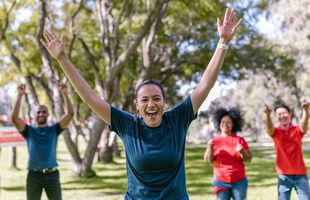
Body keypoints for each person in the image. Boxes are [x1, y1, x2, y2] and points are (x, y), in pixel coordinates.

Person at [41, 8, 242, 200]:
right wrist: (62, 59)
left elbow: (205, 85)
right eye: (144, 100)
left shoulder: (177, 120)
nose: (151, 104)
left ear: (164, 102)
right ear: (137, 106)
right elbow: (90, 98)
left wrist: (222, 42)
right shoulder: (127, 125)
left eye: (156, 98)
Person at [11, 83, 74, 200]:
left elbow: (70, 114)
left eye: (44, 112)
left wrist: (65, 94)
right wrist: (20, 96)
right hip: (34, 176)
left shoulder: (54, 130)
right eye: (39, 112)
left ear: (48, 115)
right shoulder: (29, 131)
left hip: (52, 176)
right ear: (35, 115)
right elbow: (14, 118)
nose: (41, 114)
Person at [264, 102, 310, 200]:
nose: (282, 116)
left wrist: (305, 110)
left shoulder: (297, 130)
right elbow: (269, 128)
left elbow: (304, 125)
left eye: (284, 113)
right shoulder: (275, 132)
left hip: (300, 174)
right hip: (284, 176)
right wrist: (267, 115)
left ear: (290, 114)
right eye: (279, 114)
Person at [204, 108, 252, 200]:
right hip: (220, 180)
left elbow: (248, 159)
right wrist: (209, 147)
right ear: (219, 123)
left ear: (233, 124)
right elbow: (209, 161)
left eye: (228, 122)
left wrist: (242, 151)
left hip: (239, 181)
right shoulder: (214, 141)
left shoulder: (239, 140)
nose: (225, 124)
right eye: (223, 122)